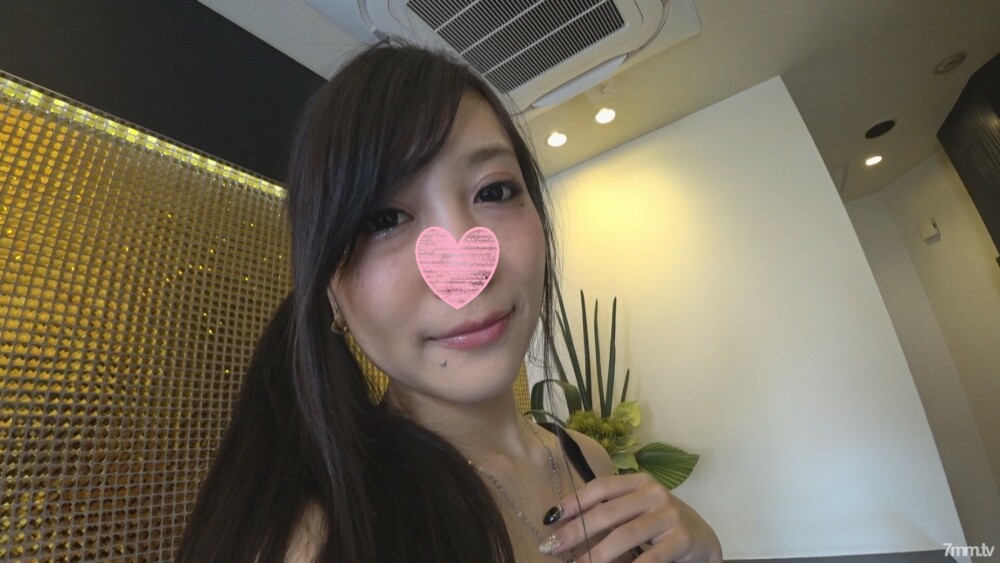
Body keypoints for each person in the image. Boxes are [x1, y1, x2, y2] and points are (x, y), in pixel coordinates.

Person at [177, 42, 723, 563]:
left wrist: (705, 549)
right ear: (331, 294)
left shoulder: (588, 459)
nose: (465, 272)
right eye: (384, 219)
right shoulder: (322, 539)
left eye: (494, 191)